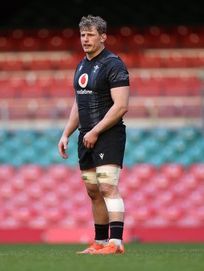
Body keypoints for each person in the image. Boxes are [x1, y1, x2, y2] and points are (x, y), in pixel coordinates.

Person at [58, 15, 130, 255]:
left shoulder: (114, 64)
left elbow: (121, 105)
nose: (85, 39)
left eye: (90, 34)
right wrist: (66, 133)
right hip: (84, 135)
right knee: (93, 190)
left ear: (103, 37)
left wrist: (96, 130)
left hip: (108, 134)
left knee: (108, 186)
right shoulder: (81, 66)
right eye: (82, 35)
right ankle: (100, 242)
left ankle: (116, 243)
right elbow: (79, 104)